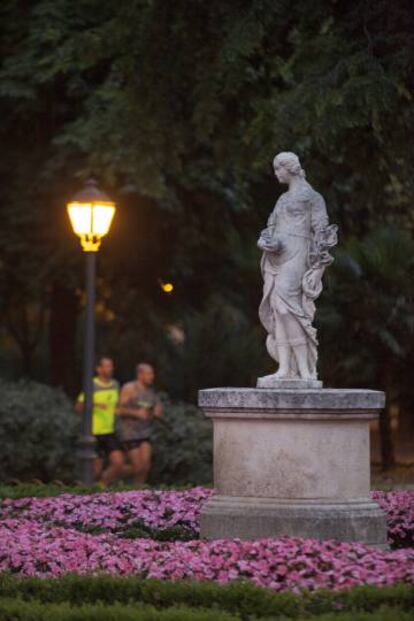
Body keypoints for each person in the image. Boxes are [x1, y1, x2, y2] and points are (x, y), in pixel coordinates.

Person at [257, 152, 337, 382]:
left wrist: (318, 270)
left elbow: (323, 235)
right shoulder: (282, 200)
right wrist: (265, 241)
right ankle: (284, 368)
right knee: (277, 308)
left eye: (277, 168)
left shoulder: (313, 198)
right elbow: (270, 227)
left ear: (289, 168)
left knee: (287, 308)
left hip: (298, 253)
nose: (275, 174)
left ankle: (304, 368)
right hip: (276, 256)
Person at [75, 356, 124, 486]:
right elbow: (78, 408)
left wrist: (120, 410)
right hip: (93, 432)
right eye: (107, 366)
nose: (110, 369)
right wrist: (95, 405)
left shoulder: (115, 385)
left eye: (111, 366)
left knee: (118, 463)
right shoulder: (91, 385)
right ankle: (83, 493)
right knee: (95, 471)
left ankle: (101, 486)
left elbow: (118, 404)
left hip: (110, 431)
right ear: (99, 369)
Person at [118, 363, 163, 484]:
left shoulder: (150, 391)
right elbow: (119, 410)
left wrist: (157, 411)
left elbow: (158, 407)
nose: (152, 376)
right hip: (130, 433)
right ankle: (112, 472)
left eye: (152, 373)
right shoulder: (130, 389)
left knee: (145, 467)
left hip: (145, 432)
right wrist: (136, 413)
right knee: (137, 467)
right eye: (149, 373)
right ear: (140, 374)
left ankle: (137, 491)